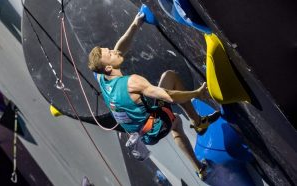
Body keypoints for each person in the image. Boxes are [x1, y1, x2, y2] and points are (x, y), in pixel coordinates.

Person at [88, 12, 220, 180]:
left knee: (174, 120)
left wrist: (136, 24)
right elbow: (169, 96)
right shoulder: (132, 83)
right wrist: (197, 93)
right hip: (155, 126)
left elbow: (119, 48)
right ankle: (198, 122)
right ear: (108, 68)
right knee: (172, 92)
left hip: (141, 133)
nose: (114, 51)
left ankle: (200, 169)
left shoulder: (101, 77)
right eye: (110, 54)